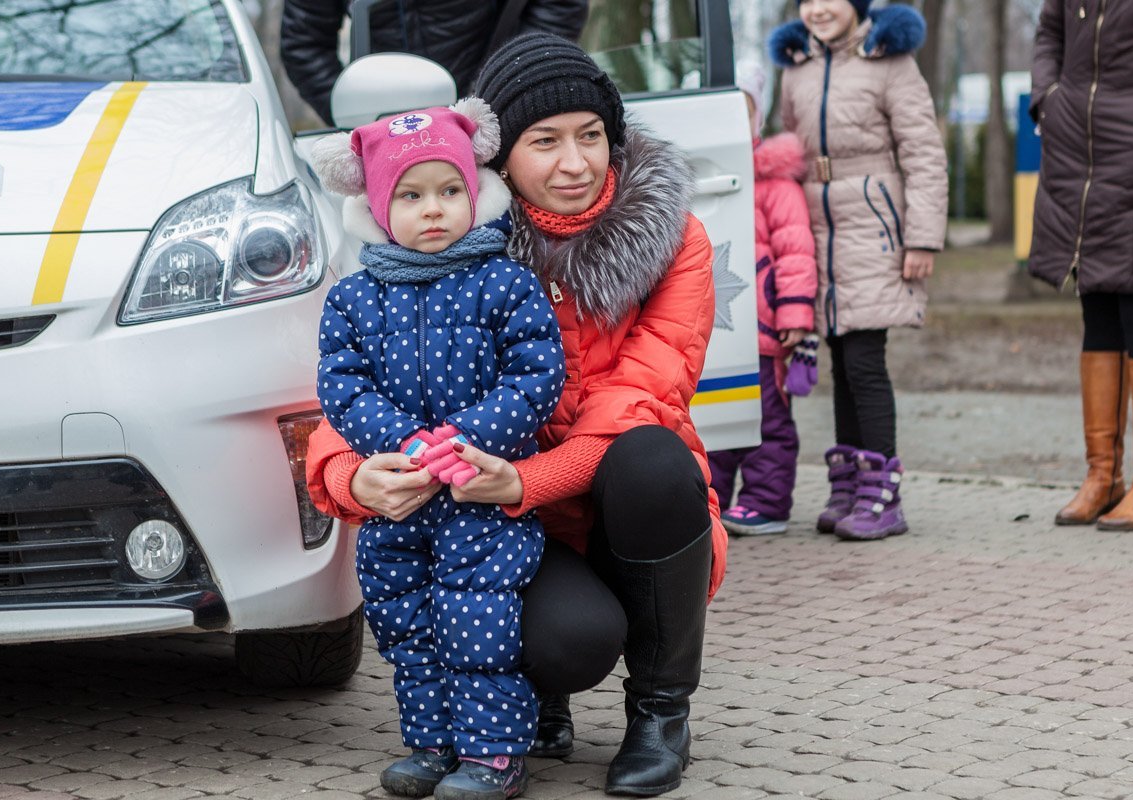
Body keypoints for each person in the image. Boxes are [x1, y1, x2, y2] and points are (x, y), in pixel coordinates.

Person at [306, 32, 727, 797]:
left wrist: (524, 481)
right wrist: (350, 476)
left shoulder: (675, 242)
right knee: (567, 639)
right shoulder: (439, 242)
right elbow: (349, 391)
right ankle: (531, 706)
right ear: (499, 158)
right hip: (503, 531)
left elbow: (638, 395)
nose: (575, 163)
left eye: (592, 136)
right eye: (546, 141)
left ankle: (661, 712)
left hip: (606, 502)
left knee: (657, 458)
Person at [310, 101, 566, 799]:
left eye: (450, 191)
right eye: (411, 196)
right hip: (400, 495)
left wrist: (467, 439)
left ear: (474, 192)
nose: (434, 210)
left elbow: (536, 372)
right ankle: (431, 744)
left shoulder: (504, 281)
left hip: (474, 493)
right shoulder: (355, 298)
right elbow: (342, 384)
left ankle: (494, 753)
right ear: (376, 207)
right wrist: (400, 442)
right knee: (406, 621)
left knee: (477, 619)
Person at [769, 0, 948, 540]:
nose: (818, 9)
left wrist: (922, 238)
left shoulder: (891, 61)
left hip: (873, 223)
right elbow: (790, 141)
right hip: (819, 227)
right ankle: (850, 483)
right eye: (808, 1)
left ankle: (883, 492)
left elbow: (923, 152)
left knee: (865, 360)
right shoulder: (796, 66)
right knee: (840, 363)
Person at [1029, 0, 1133, 531]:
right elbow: (1049, 34)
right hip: (1077, 155)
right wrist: (1047, 99)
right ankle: (1102, 476)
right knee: (1098, 303)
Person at [707, 60, 817, 537]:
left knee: (767, 421)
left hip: (765, 329)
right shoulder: (704, 176)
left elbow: (796, 252)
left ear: (754, 117)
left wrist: (795, 314)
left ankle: (767, 501)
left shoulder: (774, 184)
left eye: (742, 110)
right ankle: (714, 498)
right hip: (721, 329)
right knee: (715, 416)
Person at [280, 0, 588, 125]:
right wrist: (362, 122)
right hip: (386, 129)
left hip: (493, 118)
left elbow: (559, 8)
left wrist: (489, 104)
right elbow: (304, 45)